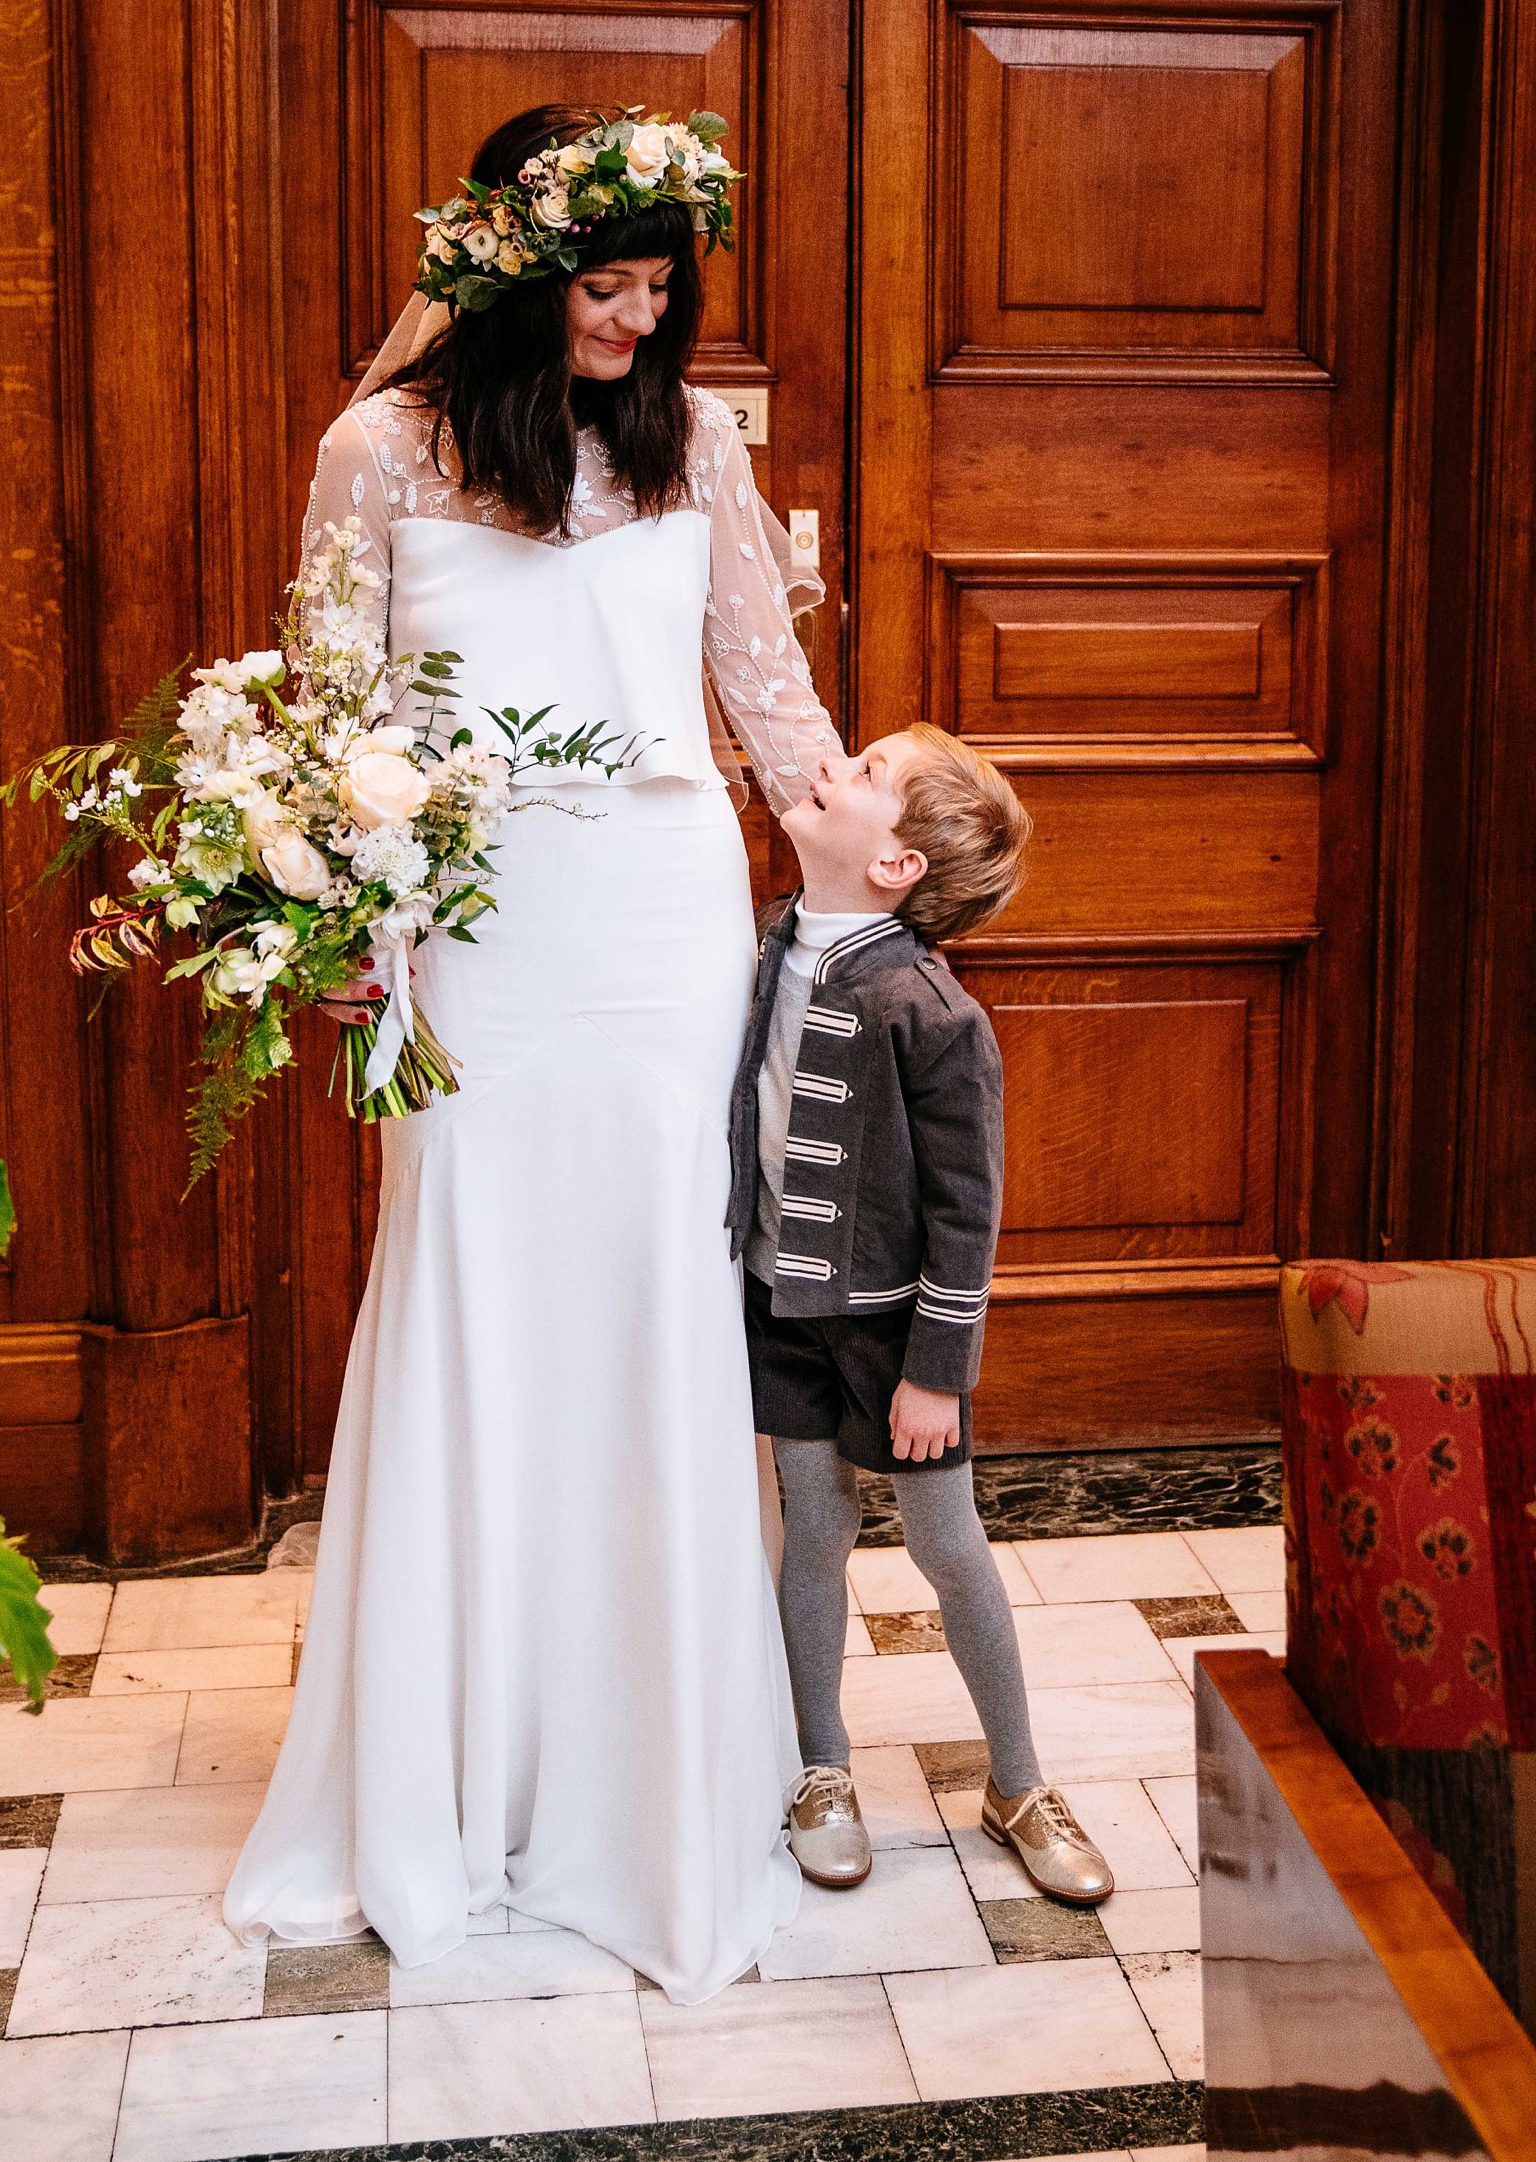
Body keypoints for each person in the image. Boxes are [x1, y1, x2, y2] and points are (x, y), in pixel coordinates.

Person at [223, 105, 841, 2003]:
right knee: (479, 1298)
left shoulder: (696, 439)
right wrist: (325, 934)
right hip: (479, 945)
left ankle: (648, 1786)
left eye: (663, 285)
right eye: (604, 282)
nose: (638, 321)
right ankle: (452, 1782)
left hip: (664, 926)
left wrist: (871, 893)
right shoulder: (373, 452)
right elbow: (328, 728)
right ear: (506, 269)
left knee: (661, 1304)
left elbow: (765, 694)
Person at [729, 724, 1116, 1905]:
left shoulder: (928, 1010)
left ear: (894, 864)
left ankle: (1017, 1780)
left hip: (895, 1335)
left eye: (862, 775)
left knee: (948, 1549)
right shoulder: (762, 952)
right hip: (779, 1309)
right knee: (810, 1537)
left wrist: (937, 1369)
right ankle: (820, 1768)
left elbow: (967, 1210)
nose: (830, 769)